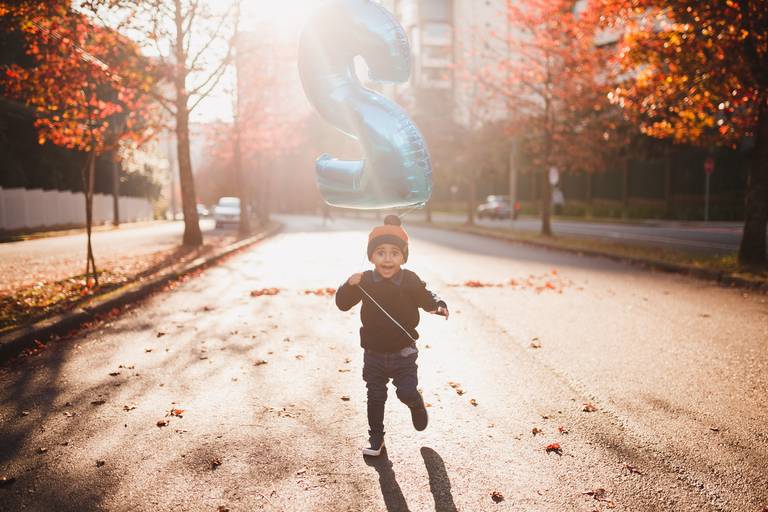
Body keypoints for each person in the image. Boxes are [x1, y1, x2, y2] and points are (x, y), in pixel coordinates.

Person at [335, 214, 449, 457]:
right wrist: (348, 285)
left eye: (394, 253)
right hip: (373, 353)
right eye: (381, 252)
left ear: (403, 257)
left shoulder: (409, 279)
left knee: (405, 391)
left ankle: (415, 402)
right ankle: (376, 438)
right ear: (372, 256)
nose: (387, 258)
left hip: (403, 351)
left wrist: (437, 304)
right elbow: (343, 304)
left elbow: (426, 296)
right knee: (375, 396)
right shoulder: (365, 280)